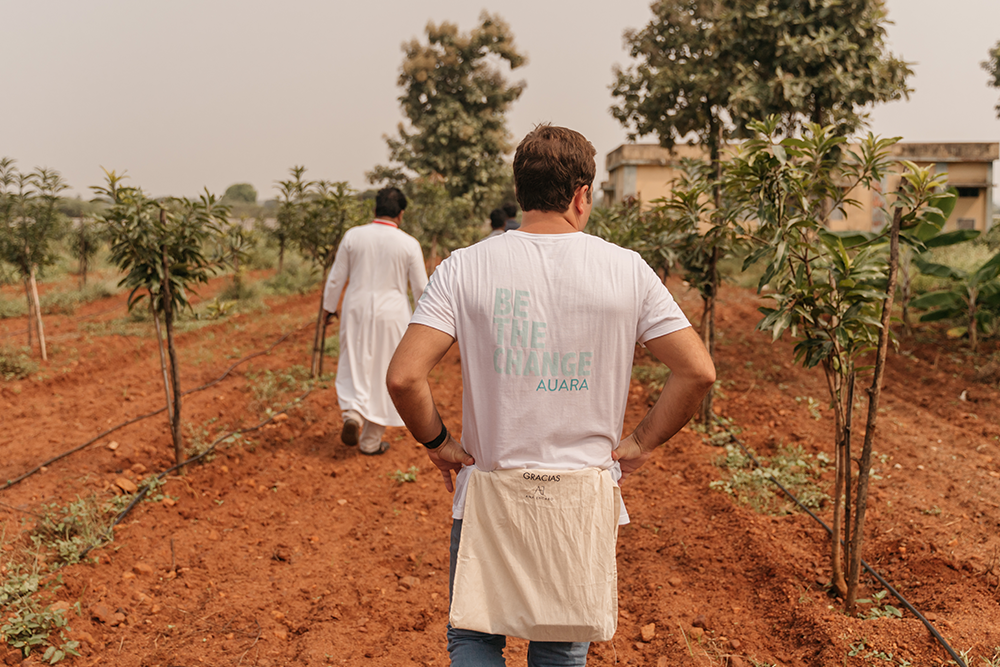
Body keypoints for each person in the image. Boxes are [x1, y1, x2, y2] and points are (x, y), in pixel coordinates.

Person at [386, 125, 715, 665]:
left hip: (491, 488)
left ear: (521, 192)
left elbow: (403, 377)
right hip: (580, 495)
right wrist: (640, 441)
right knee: (560, 650)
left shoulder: (464, 267)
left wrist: (439, 441)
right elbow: (697, 372)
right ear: (582, 195)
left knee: (473, 636)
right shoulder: (626, 269)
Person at [323, 187, 428, 456]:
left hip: (356, 307)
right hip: (393, 313)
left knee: (354, 360)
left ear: (374, 210)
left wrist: (328, 308)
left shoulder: (353, 236)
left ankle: (353, 413)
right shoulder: (409, 243)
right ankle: (370, 441)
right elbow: (420, 288)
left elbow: (336, 277)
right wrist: (427, 322)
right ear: (401, 215)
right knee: (384, 368)